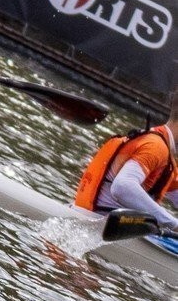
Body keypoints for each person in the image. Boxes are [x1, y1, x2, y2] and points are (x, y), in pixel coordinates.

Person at [73, 90, 178, 229]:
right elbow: (122, 186)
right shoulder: (156, 147)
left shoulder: (166, 156)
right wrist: (173, 223)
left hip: (96, 221)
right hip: (95, 224)